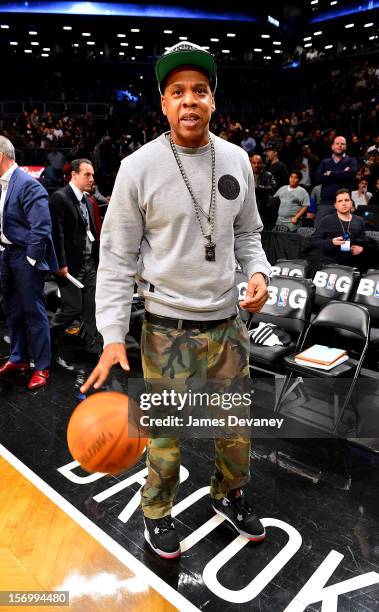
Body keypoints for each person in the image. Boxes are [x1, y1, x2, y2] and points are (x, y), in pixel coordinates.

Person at [81, 41, 272, 559]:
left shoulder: (235, 160)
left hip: (227, 324)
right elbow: (117, 260)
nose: (189, 101)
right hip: (166, 327)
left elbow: (251, 233)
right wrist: (112, 336)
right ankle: (157, 513)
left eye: (200, 91)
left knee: (235, 430)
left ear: (213, 101)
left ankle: (228, 496)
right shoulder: (137, 168)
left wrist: (256, 271)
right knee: (165, 437)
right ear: (163, 104)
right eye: (177, 92)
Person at [0, 136, 58, 389]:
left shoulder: (27, 184)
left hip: (25, 257)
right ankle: (18, 358)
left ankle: (42, 367)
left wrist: (31, 259)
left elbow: (42, 226)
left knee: (34, 312)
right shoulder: (2, 185)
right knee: (12, 310)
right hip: (6, 254)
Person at [49, 159, 101, 355]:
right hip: (69, 267)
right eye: (87, 174)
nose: (92, 178)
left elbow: (91, 232)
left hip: (89, 264)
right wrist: (61, 264)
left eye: (92, 175)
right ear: (74, 175)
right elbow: (57, 234)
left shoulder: (87, 200)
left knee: (91, 307)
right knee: (73, 307)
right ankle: (49, 334)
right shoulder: (59, 198)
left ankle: (93, 346)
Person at [311, 189, 370, 269]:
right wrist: (331, 242)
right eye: (340, 201)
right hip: (330, 264)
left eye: (346, 200)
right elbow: (315, 241)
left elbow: (364, 242)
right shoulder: (327, 220)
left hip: (352, 265)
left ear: (351, 203)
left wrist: (362, 249)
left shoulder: (359, 221)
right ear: (335, 205)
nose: (344, 203)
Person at [315, 136, 357, 223]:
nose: (340, 145)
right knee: (319, 230)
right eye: (337, 143)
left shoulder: (351, 160)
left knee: (343, 233)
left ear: (346, 146)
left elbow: (349, 175)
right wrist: (342, 174)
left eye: (342, 144)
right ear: (332, 146)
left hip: (344, 203)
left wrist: (330, 173)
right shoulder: (324, 162)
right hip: (325, 203)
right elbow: (318, 178)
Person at [250, 154, 277, 229]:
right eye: (254, 163)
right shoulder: (247, 175)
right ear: (251, 163)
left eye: (258, 163)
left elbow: (273, 188)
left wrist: (258, 188)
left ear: (262, 164)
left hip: (263, 209)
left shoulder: (268, 175)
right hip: (249, 209)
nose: (256, 165)